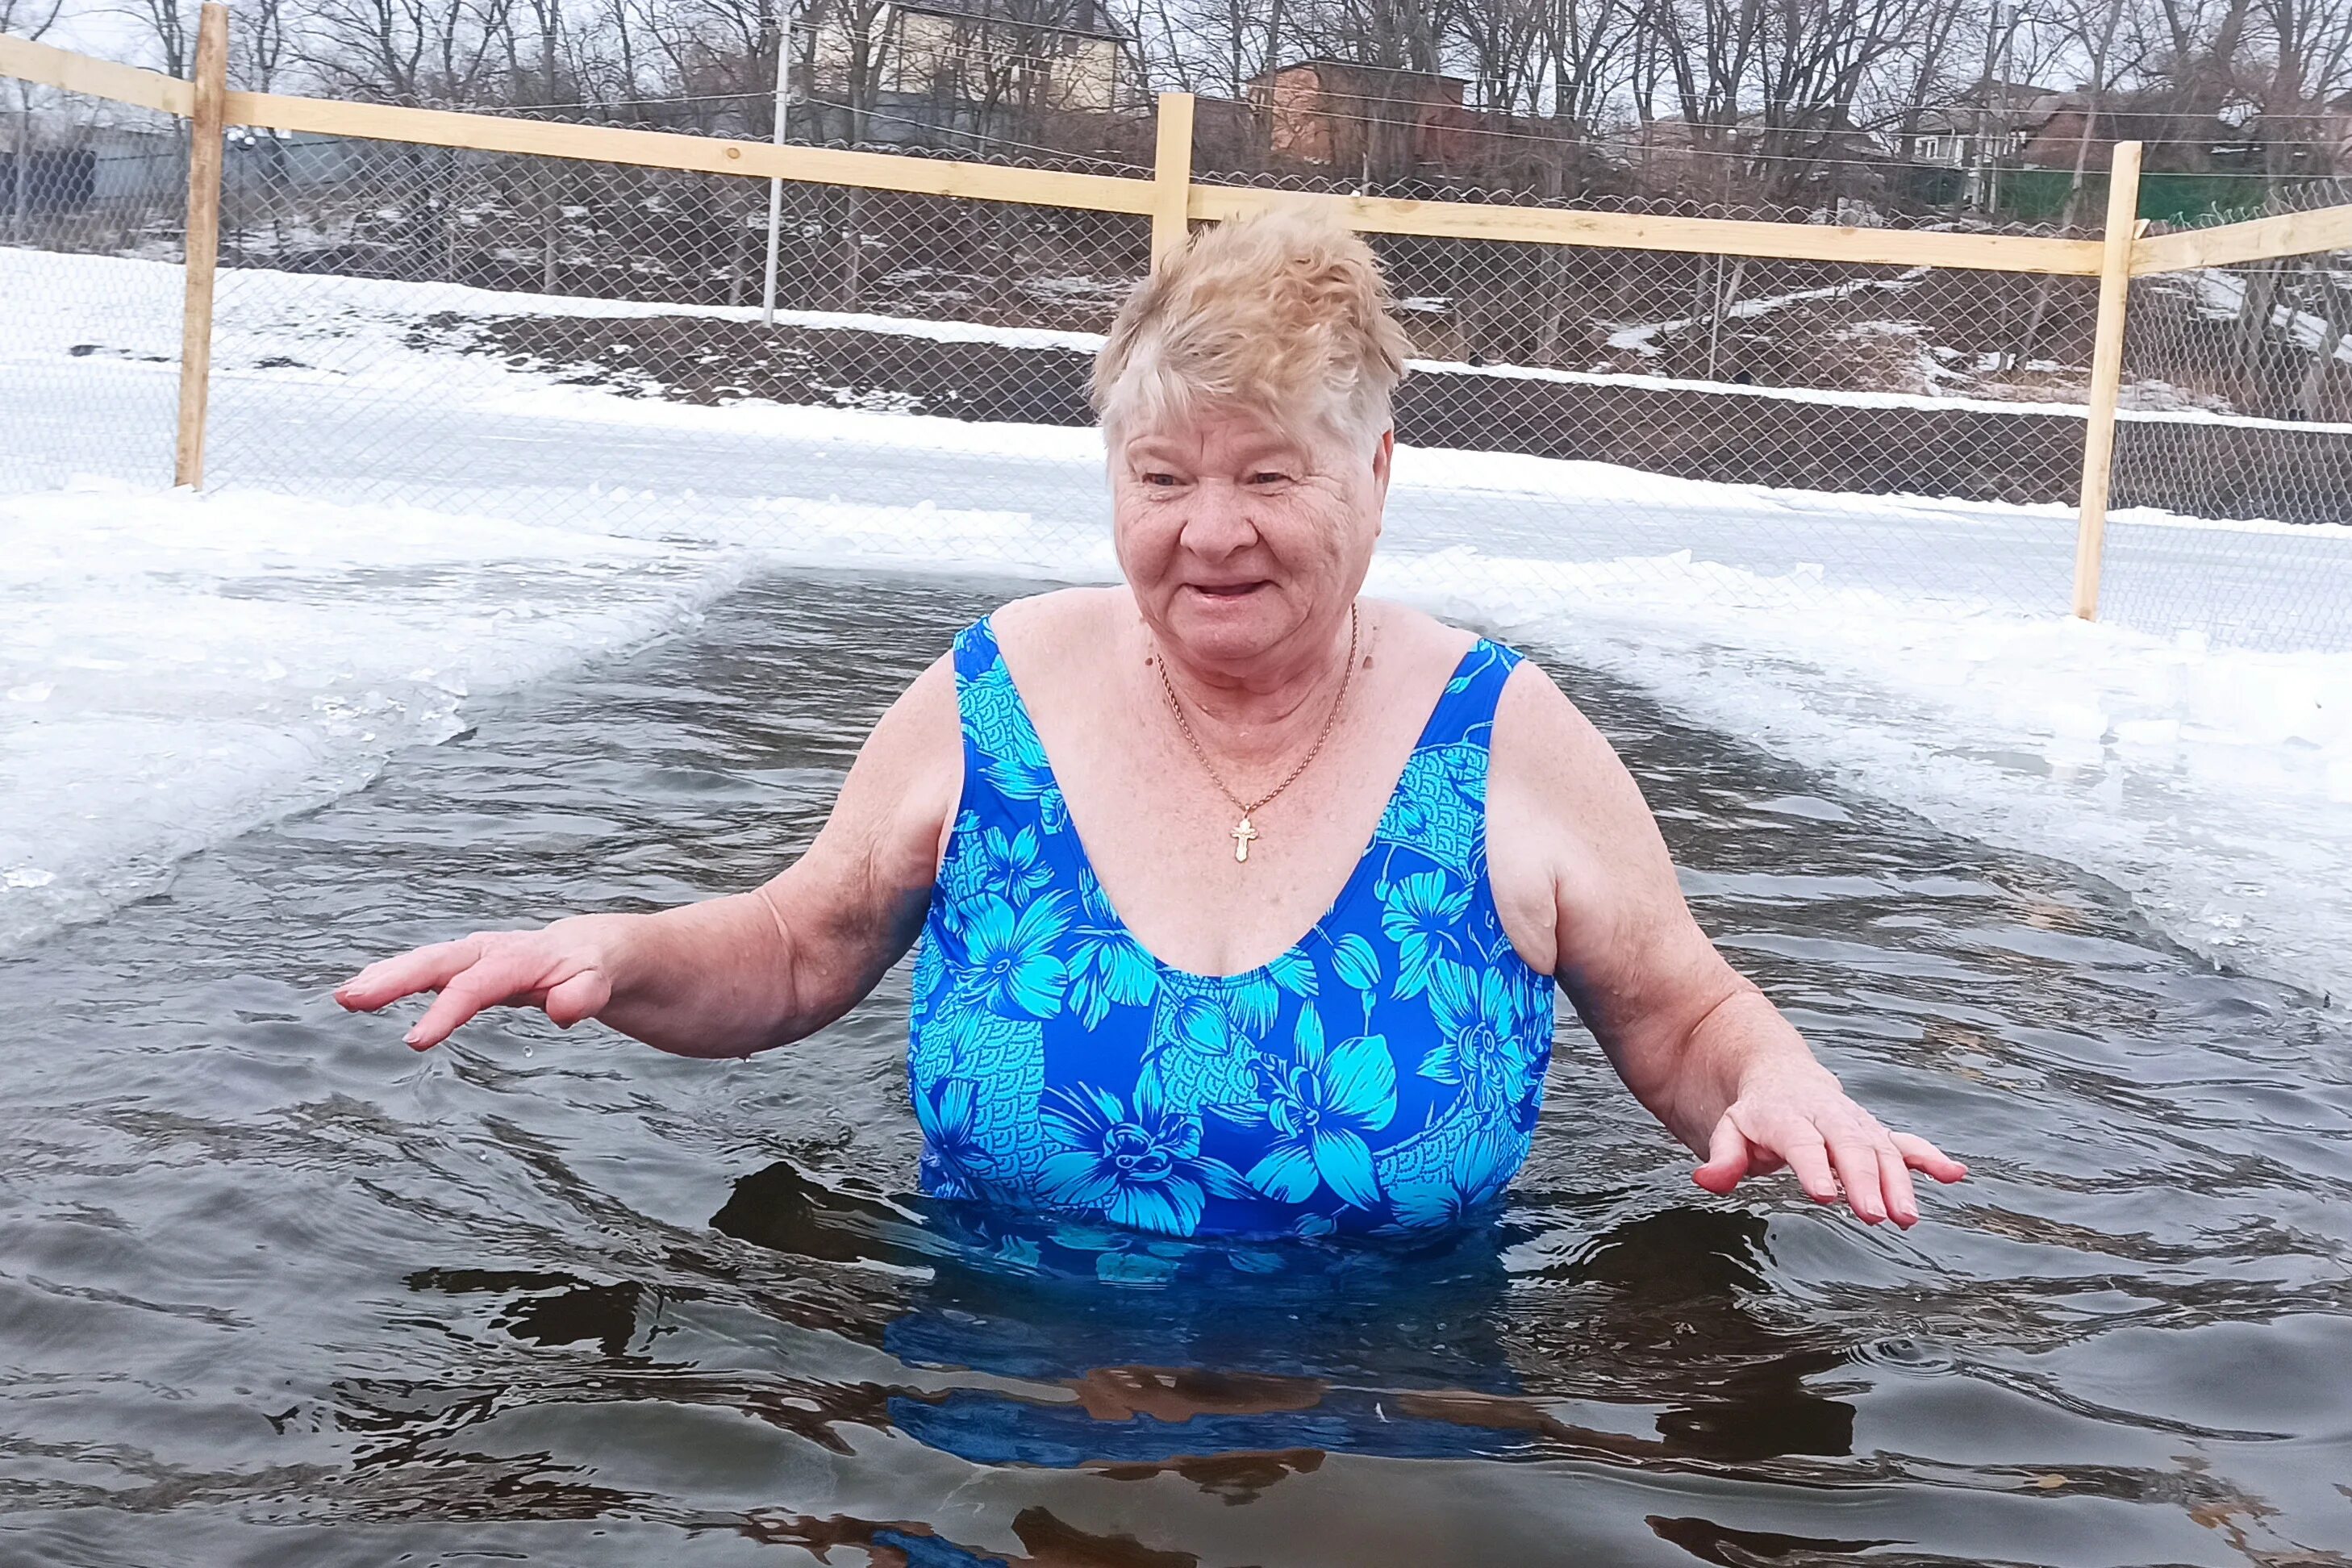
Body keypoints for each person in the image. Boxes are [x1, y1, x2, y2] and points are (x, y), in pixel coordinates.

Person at [336, 210, 1966, 1239]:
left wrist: (1786, 1084)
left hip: (1390, 1454)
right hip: (986, 1425)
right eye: (1164, 478)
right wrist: (617, 953)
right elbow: (796, 951)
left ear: (1375, 476)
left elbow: (1685, 1021)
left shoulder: (1501, 738)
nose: (1212, 532)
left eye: (1270, 475)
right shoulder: (998, 698)